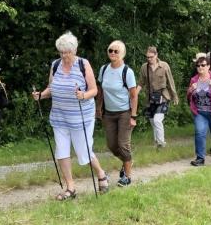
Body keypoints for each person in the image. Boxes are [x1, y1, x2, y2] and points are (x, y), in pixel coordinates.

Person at [32, 31, 110, 199]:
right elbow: (52, 88)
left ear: (74, 50)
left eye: (67, 52)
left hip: (81, 117)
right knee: (61, 151)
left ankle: (101, 174)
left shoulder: (83, 64)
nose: (64, 55)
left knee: (84, 151)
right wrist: (41, 95)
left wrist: (83, 95)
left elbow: (94, 90)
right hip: (59, 117)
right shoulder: (55, 65)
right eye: (61, 52)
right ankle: (70, 187)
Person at [96, 40, 139, 187]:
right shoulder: (103, 69)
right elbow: (100, 90)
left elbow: (134, 95)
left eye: (116, 51)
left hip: (124, 113)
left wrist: (133, 116)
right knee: (112, 145)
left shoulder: (127, 71)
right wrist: (98, 108)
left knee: (123, 144)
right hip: (109, 113)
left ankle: (127, 176)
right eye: (110, 51)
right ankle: (127, 161)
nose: (113, 53)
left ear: (122, 54)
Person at [136, 46, 179, 149]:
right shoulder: (144, 67)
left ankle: (161, 144)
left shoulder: (164, 66)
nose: (149, 59)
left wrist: (175, 97)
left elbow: (171, 82)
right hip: (150, 98)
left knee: (157, 120)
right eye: (147, 57)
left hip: (163, 96)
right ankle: (157, 142)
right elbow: (141, 83)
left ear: (156, 55)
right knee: (152, 122)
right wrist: (134, 95)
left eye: (151, 57)